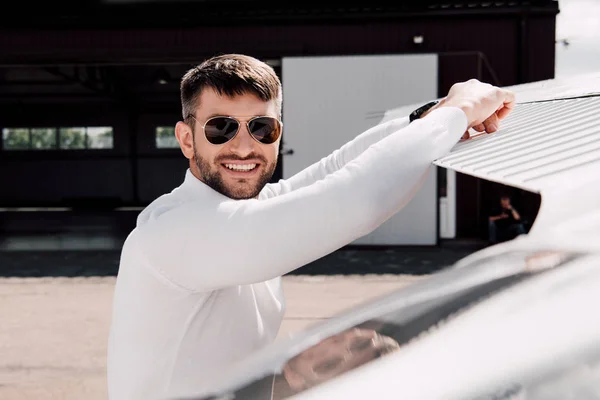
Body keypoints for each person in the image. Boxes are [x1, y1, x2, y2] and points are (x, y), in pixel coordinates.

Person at [106, 53, 515, 399]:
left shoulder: (242, 208)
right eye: (221, 127)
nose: (245, 146)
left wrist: (431, 116)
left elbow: (333, 170)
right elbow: (353, 199)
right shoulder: (173, 234)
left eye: (261, 128)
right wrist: (456, 115)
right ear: (186, 139)